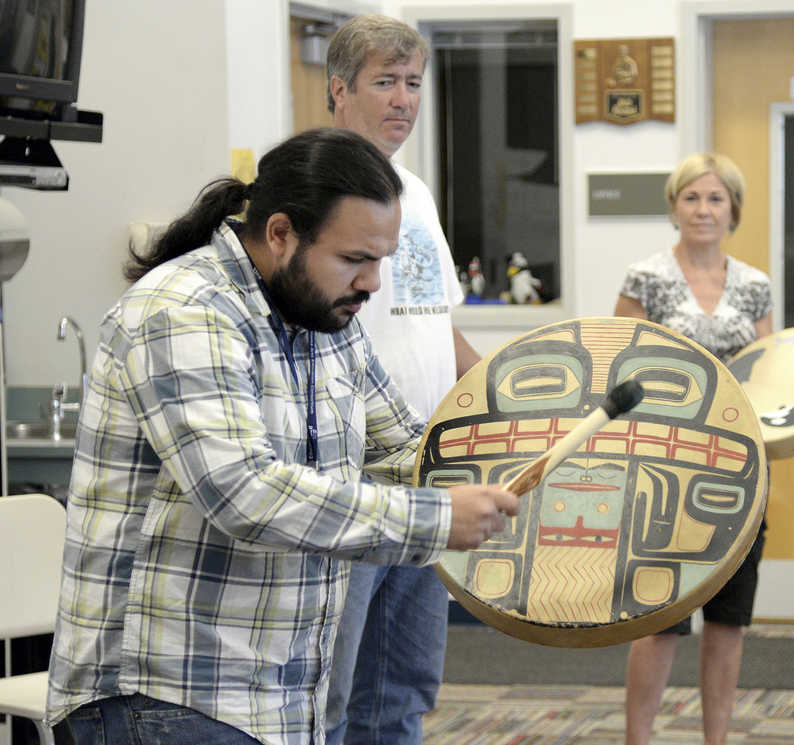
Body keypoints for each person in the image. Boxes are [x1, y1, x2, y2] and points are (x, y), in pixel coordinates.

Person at [43, 127, 517, 745]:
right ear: (280, 234)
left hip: (280, 699)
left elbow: (402, 449)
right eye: (354, 259)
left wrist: (504, 460)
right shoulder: (183, 310)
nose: (373, 282)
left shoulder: (326, 314)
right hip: (163, 698)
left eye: (380, 260)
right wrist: (435, 517)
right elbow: (244, 494)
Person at [321, 14, 482, 745]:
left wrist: (517, 389)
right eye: (384, 82)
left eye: (413, 83)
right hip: (349, 478)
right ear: (338, 91)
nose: (403, 99)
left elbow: (433, 324)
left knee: (404, 687)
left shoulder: (414, 190)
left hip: (424, 475)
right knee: (329, 688)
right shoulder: (312, 182)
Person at [613, 152, 772, 745]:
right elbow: (619, 372)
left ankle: (717, 739)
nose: (703, 210)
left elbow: (767, 374)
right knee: (658, 619)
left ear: (733, 210)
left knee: (728, 621)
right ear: (674, 206)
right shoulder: (645, 277)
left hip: (738, 471)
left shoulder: (756, 286)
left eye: (716, 199)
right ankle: (638, 739)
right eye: (692, 197)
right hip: (663, 469)